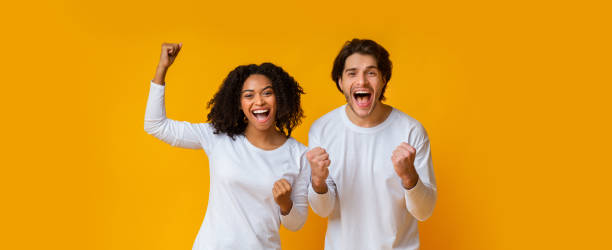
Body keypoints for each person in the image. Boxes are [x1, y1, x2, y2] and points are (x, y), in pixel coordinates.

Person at [144, 43, 309, 250]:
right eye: (249, 95)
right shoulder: (218, 138)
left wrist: (285, 203)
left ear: (280, 98)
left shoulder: (299, 155)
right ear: (239, 104)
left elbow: (297, 223)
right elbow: (155, 125)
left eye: (267, 93)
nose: (259, 101)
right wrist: (162, 68)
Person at [306, 39, 437, 249]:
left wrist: (409, 177)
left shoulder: (411, 131)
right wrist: (317, 182)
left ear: (383, 79)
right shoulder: (322, 129)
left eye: (371, 73)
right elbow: (323, 210)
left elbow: (424, 212)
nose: (362, 82)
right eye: (352, 73)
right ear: (340, 81)